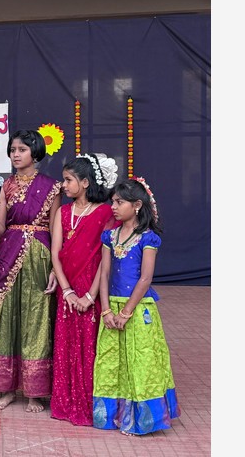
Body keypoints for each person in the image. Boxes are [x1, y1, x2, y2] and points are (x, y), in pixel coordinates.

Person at [93, 177, 180, 435]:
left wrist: (126, 312)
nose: (114, 207)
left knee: (140, 362)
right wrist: (107, 310)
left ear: (137, 205)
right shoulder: (110, 235)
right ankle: (114, 417)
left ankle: (141, 421)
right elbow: (105, 274)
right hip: (112, 310)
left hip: (137, 309)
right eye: (113, 202)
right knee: (112, 362)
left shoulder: (148, 238)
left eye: (119, 202)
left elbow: (145, 278)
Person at [0, 129, 61, 412]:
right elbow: (1, 229)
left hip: (40, 256)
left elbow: (56, 230)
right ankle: (7, 389)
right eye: (12, 150)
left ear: (35, 152)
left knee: (36, 319)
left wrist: (55, 267)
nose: (15, 155)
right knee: (8, 317)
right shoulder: (5, 186)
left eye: (21, 150)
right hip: (9, 253)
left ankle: (34, 393)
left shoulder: (52, 187)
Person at [48, 153, 118, 426]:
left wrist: (89, 295)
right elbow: (56, 254)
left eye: (68, 180)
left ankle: (92, 406)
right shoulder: (63, 212)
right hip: (68, 290)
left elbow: (105, 257)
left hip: (93, 289)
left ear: (86, 182)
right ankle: (66, 404)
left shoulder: (104, 213)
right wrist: (67, 291)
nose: (63, 185)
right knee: (66, 345)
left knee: (91, 346)